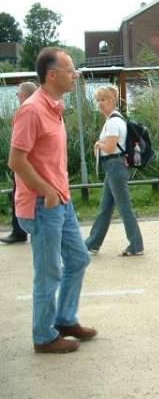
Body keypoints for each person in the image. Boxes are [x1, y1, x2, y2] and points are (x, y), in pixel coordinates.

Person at [8, 47, 96, 354]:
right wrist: (46, 191)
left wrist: (58, 191)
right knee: (49, 272)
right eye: (70, 69)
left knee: (79, 259)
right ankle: (43, 336)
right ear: (52, 75)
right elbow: (16, 161)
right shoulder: (31, 110)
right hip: (41, 205)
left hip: (61, 201)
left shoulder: (54, 107)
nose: (75, 74)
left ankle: (65, 319)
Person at [85, 85, 144, 256]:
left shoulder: (113, 122)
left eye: (103, 100)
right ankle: (92, 243)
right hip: (113, 167)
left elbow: (110, 147)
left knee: (124, 207)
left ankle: (136, 245)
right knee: (105, 207)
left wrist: (98, 143)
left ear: (113, 100)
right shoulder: (116, 120)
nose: (100, 104)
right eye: (98, 100)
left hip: (114, 166)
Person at [1, 81, 37, 244]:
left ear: (24, 95)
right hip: (31, 164)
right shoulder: (37, 109)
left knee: (19, 195)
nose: (17, 96)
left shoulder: (26, 111)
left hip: (25, 164)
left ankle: (19, 231)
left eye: (18, 94)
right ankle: (21, 230)